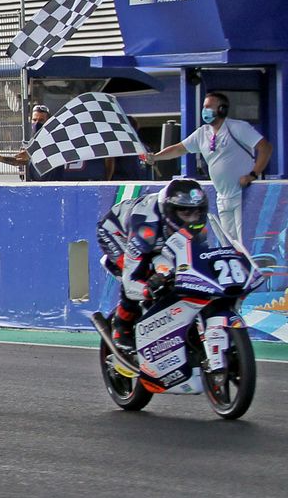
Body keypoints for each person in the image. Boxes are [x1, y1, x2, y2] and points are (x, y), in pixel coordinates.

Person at [142, 92, 273, 247]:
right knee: (228, 244)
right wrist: (155, 157)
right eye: (204, 107)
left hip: (243, 194)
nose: (205, 110)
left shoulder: (238, 128)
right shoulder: (202, 133)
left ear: (222, 109)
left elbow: (265, 148)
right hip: (223, 196)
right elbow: (178, 149)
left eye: (209, 107)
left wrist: (252, 175)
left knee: (245, 243)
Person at [96, 178, 212, 351]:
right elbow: (131, 278)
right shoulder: (146, 227)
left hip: (158, 238)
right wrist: (146, 288)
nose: (193, 219)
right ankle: (122, 326)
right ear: (170, 210)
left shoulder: (197, 229)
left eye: (197, 212)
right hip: (116, 234)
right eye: (186, 213)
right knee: (141, 273)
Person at [0, 104, 61, 181]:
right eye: (34, 120)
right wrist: (1, 159)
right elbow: (19, 160)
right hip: (33, 186)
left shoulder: (55, 139)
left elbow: (51, 157)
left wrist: (32, 155)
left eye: (41, 120)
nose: (37, 123)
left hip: (53, 186)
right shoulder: (28, 142)